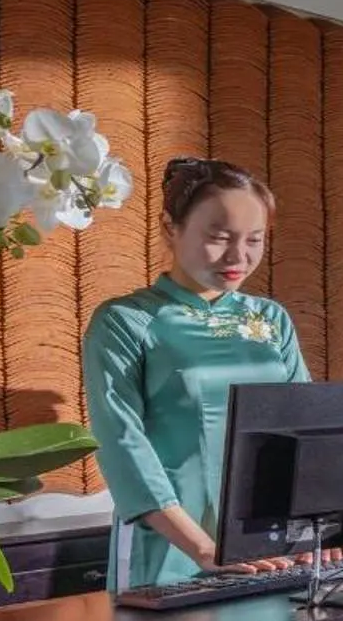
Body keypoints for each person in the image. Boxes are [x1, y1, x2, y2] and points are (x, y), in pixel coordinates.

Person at [81, 157, 309, 590]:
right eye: (219, 238)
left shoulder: (271, 319)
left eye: (255, 240)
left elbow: (307, 428)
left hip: (271, 548)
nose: (239, 257)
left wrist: (321, 528)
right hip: (170, 549)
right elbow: (122, 444)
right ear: (171, 227)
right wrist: (205, 549)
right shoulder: (125, 321)